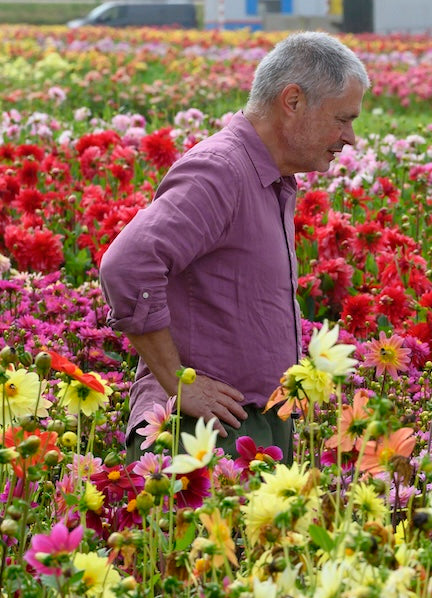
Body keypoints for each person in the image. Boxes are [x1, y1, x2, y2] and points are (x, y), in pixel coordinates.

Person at [99, 32, 369, 459]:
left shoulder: (272, 177)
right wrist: (178, 381)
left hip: (250, 420)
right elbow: (127, 265)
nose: (349, 136)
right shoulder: (222, 171)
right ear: (293, 101)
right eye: (343, 118)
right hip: (202, 432)